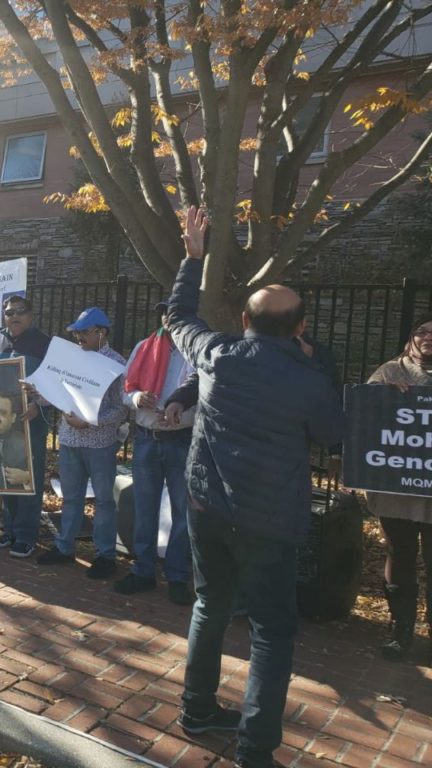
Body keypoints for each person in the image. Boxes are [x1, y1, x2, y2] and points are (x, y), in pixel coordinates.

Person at [167, 207, 343, 768]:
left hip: (207, 507)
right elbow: (334, 435)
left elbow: (176, 315)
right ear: (300, 327)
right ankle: (255, 748)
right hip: (270, 521)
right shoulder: (308, 378)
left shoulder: (218, 355)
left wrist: (193, 258)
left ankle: (196, 711)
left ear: (244, 320)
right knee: (271, 630)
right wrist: (323, 366)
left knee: (209, 604)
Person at [112, 302, 196, 604]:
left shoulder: (196, 353)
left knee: (182, 513)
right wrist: (137, 398)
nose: (169, 321)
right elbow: (124, 390)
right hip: (147, 438)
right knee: (144, 509)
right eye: (165, 316)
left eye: (175, 316)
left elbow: (205, 393)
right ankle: (143, 571)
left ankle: (177, 576)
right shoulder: (143, 347)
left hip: (182, 439)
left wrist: (180, 412)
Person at [34, 307, 128, 576]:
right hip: (69, 439)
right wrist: (37, 391)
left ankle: (105, 555)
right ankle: (65, 548)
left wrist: (90, 422)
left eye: (84, 332)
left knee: (103, 501)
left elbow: (121, 409)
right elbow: (55, 393)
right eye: (76, 333)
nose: (79, 337)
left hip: (100, 443)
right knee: (71, 498)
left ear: (102, 332)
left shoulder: (117, 364)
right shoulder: (70, 358)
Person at [364, 314, 432, 665]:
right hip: (397, 490)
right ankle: (400, 629)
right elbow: (364, 415)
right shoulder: (390, 372)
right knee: (400, 555)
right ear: (410, 338)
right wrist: (382, 395)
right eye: (421, 331)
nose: (428, 337)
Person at [0, 294, 51, 558]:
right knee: (5, 473)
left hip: (30, 423)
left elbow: (56, 384)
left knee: (28, 478)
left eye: (20, 311)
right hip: (4, 424)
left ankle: (26, 535)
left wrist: (40, 407)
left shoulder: (45, 344)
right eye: (9, 312)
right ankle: (8, 528)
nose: (14, 316)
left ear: (31, 314)